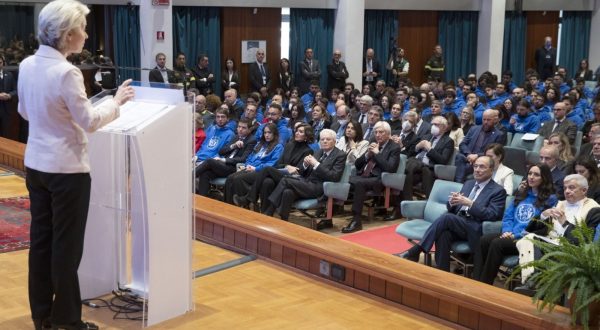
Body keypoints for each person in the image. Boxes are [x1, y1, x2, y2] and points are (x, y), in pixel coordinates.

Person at [18, 1, 135, 328]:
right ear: (67, 34)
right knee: (66, 251)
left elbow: (25, 112)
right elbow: (88, 121)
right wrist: (116, 102)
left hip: (36, 166)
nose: (85, 34)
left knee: (41, 243)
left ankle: (42, 316)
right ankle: (67, 323)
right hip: (67, 170)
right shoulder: (66, 72)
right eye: (82, 29)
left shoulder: (28, 64)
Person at [402, 156, 507, 272]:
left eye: (482, 167)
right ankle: (443, 273)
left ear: (491, 170)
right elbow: (453, 207)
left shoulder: (498, 191)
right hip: (458, 223)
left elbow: (492, 214)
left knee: (447, 218)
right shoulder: (469, 183)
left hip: (475, 228)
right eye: (475, 166)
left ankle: (416, 250)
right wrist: (451, 203)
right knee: (443, 233)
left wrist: (470, 204)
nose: (477, 170)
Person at [514, 174, 600, 295]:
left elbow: (586, 240)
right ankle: (534, 282)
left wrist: (565, 223)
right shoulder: (560, 204)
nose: (567, 191)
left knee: (528, 241)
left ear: (584, 190)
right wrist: (544, 215)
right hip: (549, 244)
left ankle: (532, 282)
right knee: (528, 238)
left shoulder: (594, 209)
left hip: (571, 250)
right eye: (565, 188)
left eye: (571, 188)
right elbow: (532, 229)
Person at [472, 163, 557, 285]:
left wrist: (515, 235)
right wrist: (507, 231)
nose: (531, 177)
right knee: (484, 240)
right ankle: (476, 280)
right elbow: (508, 216)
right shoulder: (521, 194)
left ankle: (485, 284)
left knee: (497, 243)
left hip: (527, 239)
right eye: (530, 174)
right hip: (511, 234)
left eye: (536, 175)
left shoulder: (551, 199)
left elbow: (540, 227)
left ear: (544, 178)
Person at [264, 129, 346, 222]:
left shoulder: (340, 155)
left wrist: (316, 164)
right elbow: (302, 173)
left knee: (286, 180)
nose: (325, 141)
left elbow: (334, 177)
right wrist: (305, 165)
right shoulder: (318, 152)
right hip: (307, 183)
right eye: (322, 139)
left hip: (320, 187)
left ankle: (270, 210)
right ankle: (284, 220)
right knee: (288, 192)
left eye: (328, 139)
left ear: (334, 141)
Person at [235, 123, 314, 211]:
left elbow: (299, 171)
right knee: (267, 182)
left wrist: (289, 168)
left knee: (267, 169)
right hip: (280, 173)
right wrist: (287, 166)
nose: (297, 133)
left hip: (291, 178)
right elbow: (279, 164)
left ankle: (248, 198)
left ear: (306, 136)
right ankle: (265, 213)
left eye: (301, 132)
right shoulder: (289, 145)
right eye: (297, 131)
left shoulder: (308, 150)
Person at [343, 121, 401, 233]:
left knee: (359, 184)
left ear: (388, 134)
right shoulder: (373, 142)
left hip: (380, 179)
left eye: (381, 132)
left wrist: (377, 153)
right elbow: (357, 164)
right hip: (364, 176)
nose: (378, 134)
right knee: (343, 180)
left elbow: (390, 168)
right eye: (376, 132)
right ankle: (329, 212)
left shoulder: (394, 148)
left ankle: (356, 220)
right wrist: (367, 155)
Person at [194, 119, 257, 196]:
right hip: (223, 166)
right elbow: (221, 151)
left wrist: (223, 160)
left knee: (209, 161)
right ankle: (202, 199)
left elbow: (243, 159)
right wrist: (233, 145)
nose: (240, 129)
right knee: (205, 173)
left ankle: (189, 177)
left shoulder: (251, 140)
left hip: (234, 168)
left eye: (244, 128)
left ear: (249, 129)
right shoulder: (236, 137)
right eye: (239, 127)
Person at [224, 123, 284, 204]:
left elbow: (272, 164)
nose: (266, 135)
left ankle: (243, 203)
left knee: (238, 179)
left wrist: (255, 168)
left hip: (261, 171)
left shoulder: (278, 147)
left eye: (269, 133)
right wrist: (246, 165)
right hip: (250, 168)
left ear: (275, 134)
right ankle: (228, 203)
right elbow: (250, 157)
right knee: (230, 178)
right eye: (265, 133)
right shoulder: (260, 144)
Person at [401, 115, 454, 201]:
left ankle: (407, 201)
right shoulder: (426, 136)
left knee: (407, 169)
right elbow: (412, 152)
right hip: (416, 165)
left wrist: (429, 149)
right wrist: (417, 147)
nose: (433, 126)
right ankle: (406, 201)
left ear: (444, 127)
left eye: (436, 125)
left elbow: (443, 160)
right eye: (432, 124)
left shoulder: (448, 141)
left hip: (428, 165)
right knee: (407, 173)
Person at [454, 109, 505, 183]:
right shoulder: (474, 129)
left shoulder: (499, 135)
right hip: (467, 157)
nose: (486, 122)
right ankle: (460, 182)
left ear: (494, 120)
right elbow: (462, 144)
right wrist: (469, 154)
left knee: (465, 167)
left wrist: (477, 156)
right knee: (459, 156)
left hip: (482, 161)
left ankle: (458, 183)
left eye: (489, 120)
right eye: (484, 119)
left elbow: (494, 152)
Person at [0, 54, 17, 137]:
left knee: (7, 134)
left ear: (3, 63)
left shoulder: (9, 75)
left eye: (0, 62)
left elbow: (15, 90)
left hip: (7, 111)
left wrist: (9, 95)